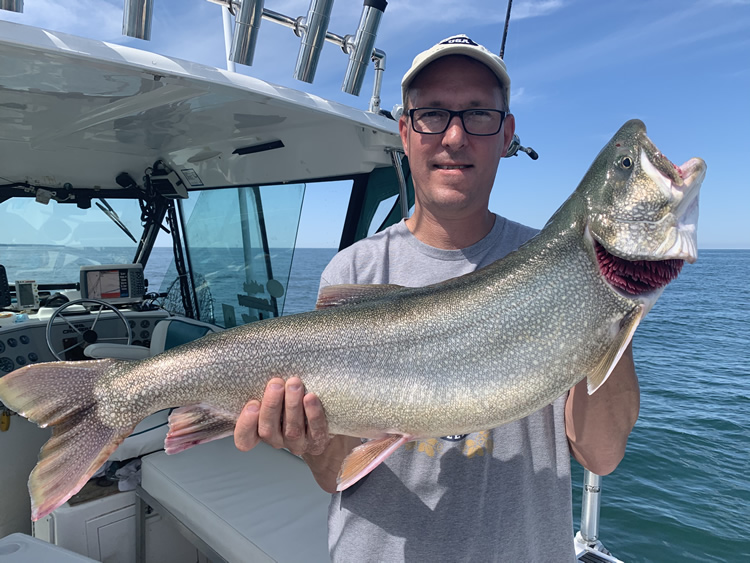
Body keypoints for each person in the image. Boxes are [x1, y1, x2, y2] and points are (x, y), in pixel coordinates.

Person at [235, 34, 640, 562]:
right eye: (431, 114)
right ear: (405, 132)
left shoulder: (553, 265)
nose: (454, 136)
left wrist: (613, 299)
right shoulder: (354, 270)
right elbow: (336, 471)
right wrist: (309, 439)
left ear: (507, 134)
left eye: (478, 115)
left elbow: (602, 454)